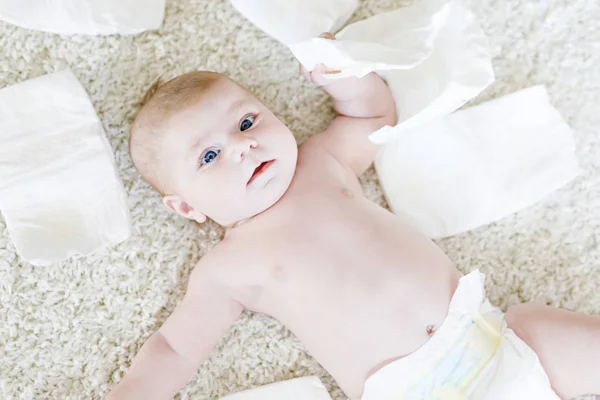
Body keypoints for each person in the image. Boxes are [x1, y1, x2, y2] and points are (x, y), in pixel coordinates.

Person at [108, 33, 600, 400]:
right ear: (187, 208)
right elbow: (174, 348)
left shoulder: (320, 163)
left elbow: (372, 118)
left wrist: (345, 75)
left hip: (491, 337)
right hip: (411, 390)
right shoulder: (225, 269)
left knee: (542, 327)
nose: (242, 145)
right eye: (209, 157)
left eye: (245, 121)